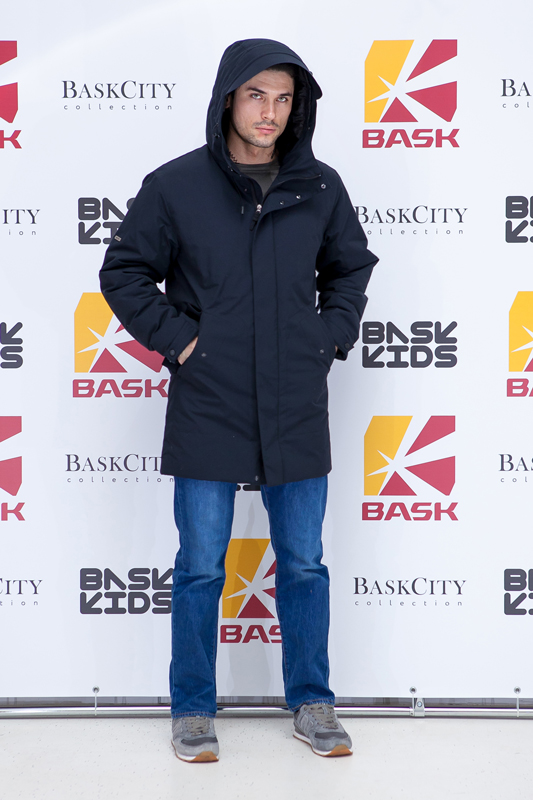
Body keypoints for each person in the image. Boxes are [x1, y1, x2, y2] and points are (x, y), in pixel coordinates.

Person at [100, 37, 378, 763]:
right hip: (209, 400)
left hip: (294, 401)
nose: (270, 112)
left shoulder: (319, 186)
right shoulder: (176, 185)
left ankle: (312, 702)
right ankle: (193, 709)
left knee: (304, 562)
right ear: (229, 98)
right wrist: (181, 342)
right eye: (256, 95)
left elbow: (349, 269)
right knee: (200, 565)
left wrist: (325, 337)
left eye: (284, 98)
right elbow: (124, 271)